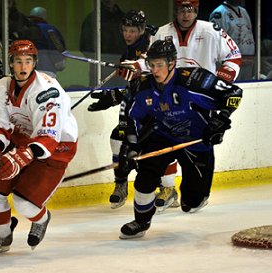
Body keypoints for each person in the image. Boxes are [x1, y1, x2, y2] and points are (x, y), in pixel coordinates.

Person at [119, 0, 242, 213]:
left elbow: (233, 56)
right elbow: (149, 61)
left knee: (195, 144)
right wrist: (134, 68)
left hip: (198, 96)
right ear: (176, 11)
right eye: (182, 9)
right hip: (165, 95)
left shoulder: (211, 30)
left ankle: (196, 191)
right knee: (162, 136)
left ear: (196, 10)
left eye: (191, 10)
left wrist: (221, 79)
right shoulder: (161, 32)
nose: (186, 14)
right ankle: (168, 189)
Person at [0, 40, 78, 254]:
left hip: (58, 146)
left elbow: (48, 137)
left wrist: (19, 158)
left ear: (34, 63)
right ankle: (2, 237)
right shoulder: (2, 86)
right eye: (18, 61)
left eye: (28, 61)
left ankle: (42, 218)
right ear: (11, 63)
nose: (23, 67)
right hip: (23, 139)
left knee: (25, 205)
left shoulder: (46, 91)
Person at [87, 10, 154, 209]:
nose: (128, 34)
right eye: (125, 30)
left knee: (150, 146)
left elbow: (149, 67)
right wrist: (117, 95)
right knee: (118, 138)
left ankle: (165, 188)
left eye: (132, 30)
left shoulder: (149, 43)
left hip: (152, 106)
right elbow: (132, 82)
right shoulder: (130, 48)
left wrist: (135, 66)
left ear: (141, 30)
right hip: (134, 103)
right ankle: (121, 184)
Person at [79, 0, 126, 87]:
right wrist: (102, 60)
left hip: (122, 69)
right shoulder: (93, 18)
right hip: (101, 70)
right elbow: (85, 47)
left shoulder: (123, 18)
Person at [209, 0, 255, 80]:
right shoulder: (219, 13)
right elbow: (215, 40)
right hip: (231, 63)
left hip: (249, 61)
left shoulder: (244, 11)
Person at [26, 6, 66, 78]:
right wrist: (60, 62)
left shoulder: (24, 28)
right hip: (47, 69)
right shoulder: (49, 30)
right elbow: (57, 46)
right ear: (44, 16)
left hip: (26, 70)